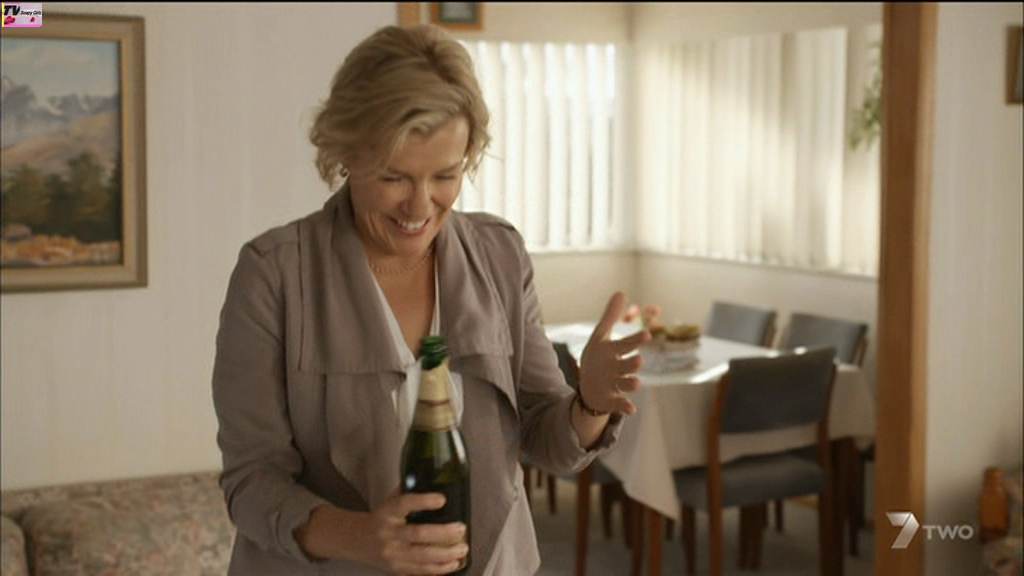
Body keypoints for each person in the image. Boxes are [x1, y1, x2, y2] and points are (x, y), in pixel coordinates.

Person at [212, 24, 650, 575]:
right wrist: (361, 537)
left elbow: (547, 440)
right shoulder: (274, 276)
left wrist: (590, 404)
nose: (420, 207)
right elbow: (251, 482)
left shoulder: (499, 255)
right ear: (347, 152)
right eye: (394, 177)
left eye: (446, 175)